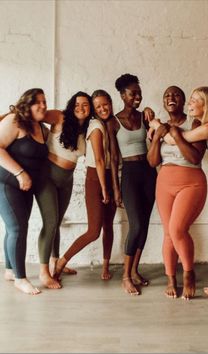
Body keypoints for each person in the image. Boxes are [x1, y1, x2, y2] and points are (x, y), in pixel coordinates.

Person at [151, 86, 208, 297]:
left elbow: (176, 140)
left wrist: (157, 126)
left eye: (193, 100)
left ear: (206, 105)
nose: (189, 103)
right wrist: (159, 129)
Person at [147, 86, 207, 300]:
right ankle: (171, 279)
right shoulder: (159, 127)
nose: (171, 98)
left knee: (177, 229)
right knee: (168, 233)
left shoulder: (195, 124)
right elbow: (153, 161)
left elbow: (195, 158)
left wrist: (175, 134)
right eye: (167, 95)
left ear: (183, 101)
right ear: (164, 102)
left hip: (191, 183)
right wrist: (156, 137)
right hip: (164, 183)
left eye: (176, 95)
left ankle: (189, 274)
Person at [53, 89, 116, 281]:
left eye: (106, 104)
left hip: (108, 176)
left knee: (108, 225)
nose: (102, 108)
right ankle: (60, 263)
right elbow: (98, 160)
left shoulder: (108, 124)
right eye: (98, 106)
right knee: (93, 231)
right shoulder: (96, 126)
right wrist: (105, 188)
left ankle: (106, 266)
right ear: (94, 110)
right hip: (96, 178)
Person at [34, 91, 93, 289]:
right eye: (77, 104)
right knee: (50, 223)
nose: (81, 108)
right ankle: (43, 273)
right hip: (47, 177)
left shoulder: (87, 128)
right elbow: (35, 114)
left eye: (85, 105)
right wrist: (8, 116)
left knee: (57, 222)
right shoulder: (60, 116)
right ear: (71, 105)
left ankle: (55, 261)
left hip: (67, 179)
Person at [107, 73, 157, 295]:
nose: (138, 96)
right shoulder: (113, 122)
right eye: (133, 93)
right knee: (135, 225)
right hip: (129, 174)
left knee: (144, 225)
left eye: (139, 92)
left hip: (148, 172)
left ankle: (134, 270)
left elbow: (155, 139)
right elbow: (114, 158)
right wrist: (116, 188)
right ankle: (125, 277)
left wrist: (151, 117)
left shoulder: (145, 117)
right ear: (122, 95)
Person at [0, 88, 49, 295]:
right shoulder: (14, 120)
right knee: (17, 229)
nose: (43, 106)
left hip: (26, 186)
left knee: (17, 228)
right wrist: (20, 173)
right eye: (37, 102)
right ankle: (21, 278)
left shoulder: (40, 127)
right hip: (7, 181)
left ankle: (10, 270)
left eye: (45, 101)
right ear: (26, 104)